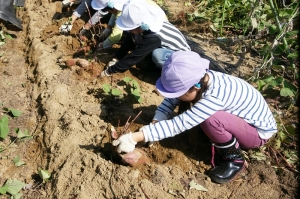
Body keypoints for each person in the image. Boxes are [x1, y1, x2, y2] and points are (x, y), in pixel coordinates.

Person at [112, 51, 278, 184]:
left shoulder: (215, 95)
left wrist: (134, 137)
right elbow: (171, 100)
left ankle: (234, 159)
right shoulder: (198, 77)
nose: (175, 96)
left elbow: (179, 124)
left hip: (257, 133)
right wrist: (157, 121)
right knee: (206, 118)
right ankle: (222, 137)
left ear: (195, 87)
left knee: (211, 120)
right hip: (239, 121)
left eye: (179, 93)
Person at [99, 0, 191, 77]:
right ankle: (153, 64)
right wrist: (116, 58)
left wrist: (109, 71)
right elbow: (129, 41)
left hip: (182, 61)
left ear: (137, 27)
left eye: (130, 28)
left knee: (157, 55)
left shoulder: (153, 36)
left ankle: (169, 75)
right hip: (165, 49)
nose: (129, 30)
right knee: (138, 40)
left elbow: (134, 57)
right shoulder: (144, 24)